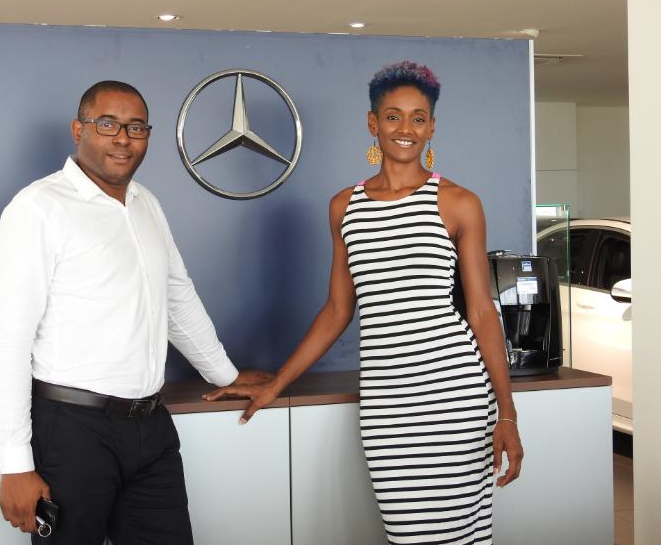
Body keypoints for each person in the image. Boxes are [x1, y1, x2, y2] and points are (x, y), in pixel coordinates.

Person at [206, 61, 524, 544]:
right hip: (384, 401)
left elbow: (481, 312)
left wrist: (507, 413)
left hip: (453, 395)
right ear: (373, 123)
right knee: (406, 532)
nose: (405, 128)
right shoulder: (344, 207)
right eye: (393, 116)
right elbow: (338, 309)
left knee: (450, 533)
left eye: (418, 118)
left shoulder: (458, 203)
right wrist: (276, 384)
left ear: (432, 127)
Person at [0, 80, 269, 545]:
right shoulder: (38, 208)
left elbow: (176, 297)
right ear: (79, 129)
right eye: (108, 124)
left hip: (150, 428)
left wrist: (224, 375)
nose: (123, 138)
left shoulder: (146, 203)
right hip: (71, 430)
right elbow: (9, 341)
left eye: (136, 127)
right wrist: (15, 464)